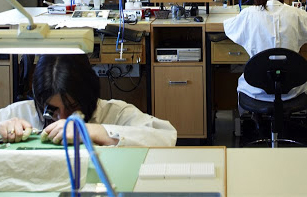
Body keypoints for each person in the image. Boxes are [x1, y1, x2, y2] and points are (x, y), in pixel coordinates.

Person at [0, 54, 177, 146]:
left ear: (88, 96)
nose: (62, 119)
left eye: (73, 107)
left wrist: (91, 131)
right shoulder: (20, 113)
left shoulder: (114, 113)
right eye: (52, 110)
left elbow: (166, 138)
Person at [224, 0, 307, 102]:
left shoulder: (248, 14)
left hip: (256, 90)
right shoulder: (295, 13)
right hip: (292, 90)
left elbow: (228, 27)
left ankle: (251, 118)